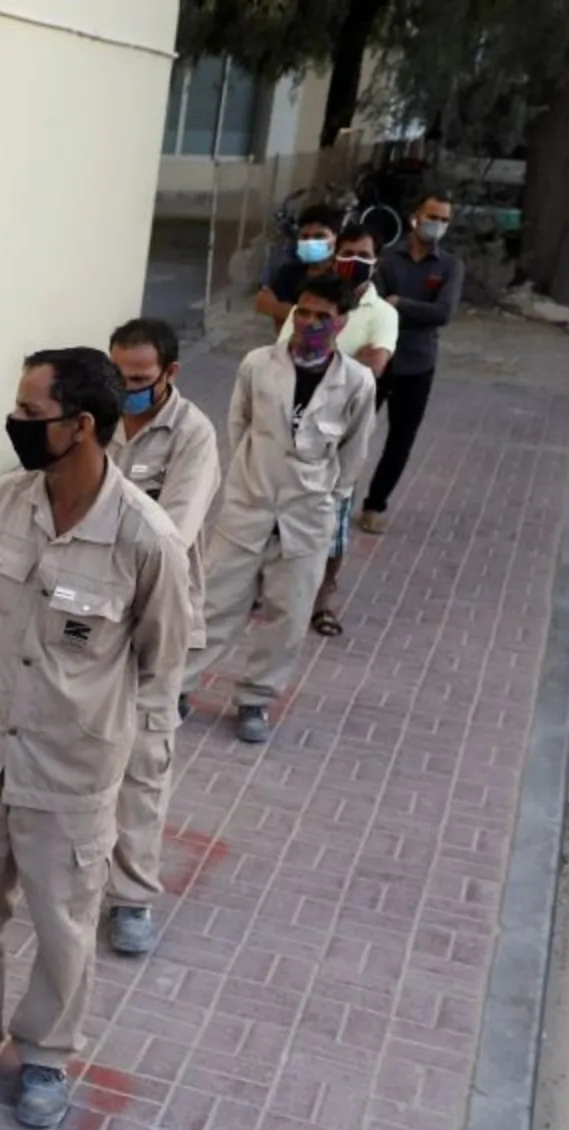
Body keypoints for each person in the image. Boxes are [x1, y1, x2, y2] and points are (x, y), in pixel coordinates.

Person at [0, 351, 191, 1129]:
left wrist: (135, 782)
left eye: (31, 417)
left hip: (71, 767)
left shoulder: (146, 539)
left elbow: (162, 662)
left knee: (64, 920)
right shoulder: (6, 502)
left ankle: (45, 1055)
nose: (17, 429)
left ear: (83, 427)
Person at [190, 275, 378, 746]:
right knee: (214, 604)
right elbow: (239, 424)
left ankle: (255, 698)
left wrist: (329, 501)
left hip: (308, 516)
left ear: (342, 322)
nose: (311, 323)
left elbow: (354, 454)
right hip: (248, 505)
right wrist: (249, 480)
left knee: (289, 614)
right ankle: (177, 686)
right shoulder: (258, 364)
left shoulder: (356, 382)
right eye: (305, 312)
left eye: (323, 317)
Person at [103, 318, 220, 960]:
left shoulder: (194, 437)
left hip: (156, 617)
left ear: (170, 374)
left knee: (145, 760)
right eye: (118, 375)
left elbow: (169, 536)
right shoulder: (95, 416)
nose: (126, 389)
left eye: (140, 380)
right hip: (88, 614)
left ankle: (131, 899)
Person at [294, 221, 398, 638]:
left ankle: (322, 601)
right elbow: (290, 348)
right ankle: (274, 588)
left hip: (344, 425)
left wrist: (325, 352)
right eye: (347, 252)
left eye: (364, 255)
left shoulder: (383, 313)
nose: (354, 261)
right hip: (297, 416)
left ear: (376, 261)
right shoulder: (310, 300)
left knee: (334, 522)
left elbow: (374, 366)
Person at [361, 194, 465, 534]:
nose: (437, 224)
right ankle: (337, 495)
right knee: (355, 431)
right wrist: (407, 308)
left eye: (444, 219)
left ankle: (376, 504)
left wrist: (399, 302)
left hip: (418, 365)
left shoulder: (449, 266)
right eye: (431, 216)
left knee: (401, 439)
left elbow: (443, 313)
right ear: (414, 218)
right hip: (378, 360)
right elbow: (374, 305)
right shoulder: (388, 261)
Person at [254, 206, 341, 331]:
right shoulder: (288, 274)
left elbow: (336, 325)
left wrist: (278, 308)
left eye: (319, 236)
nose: (311, 242)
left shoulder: (342, 276)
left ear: (335, 239)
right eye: (305, 237)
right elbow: (266, 307)